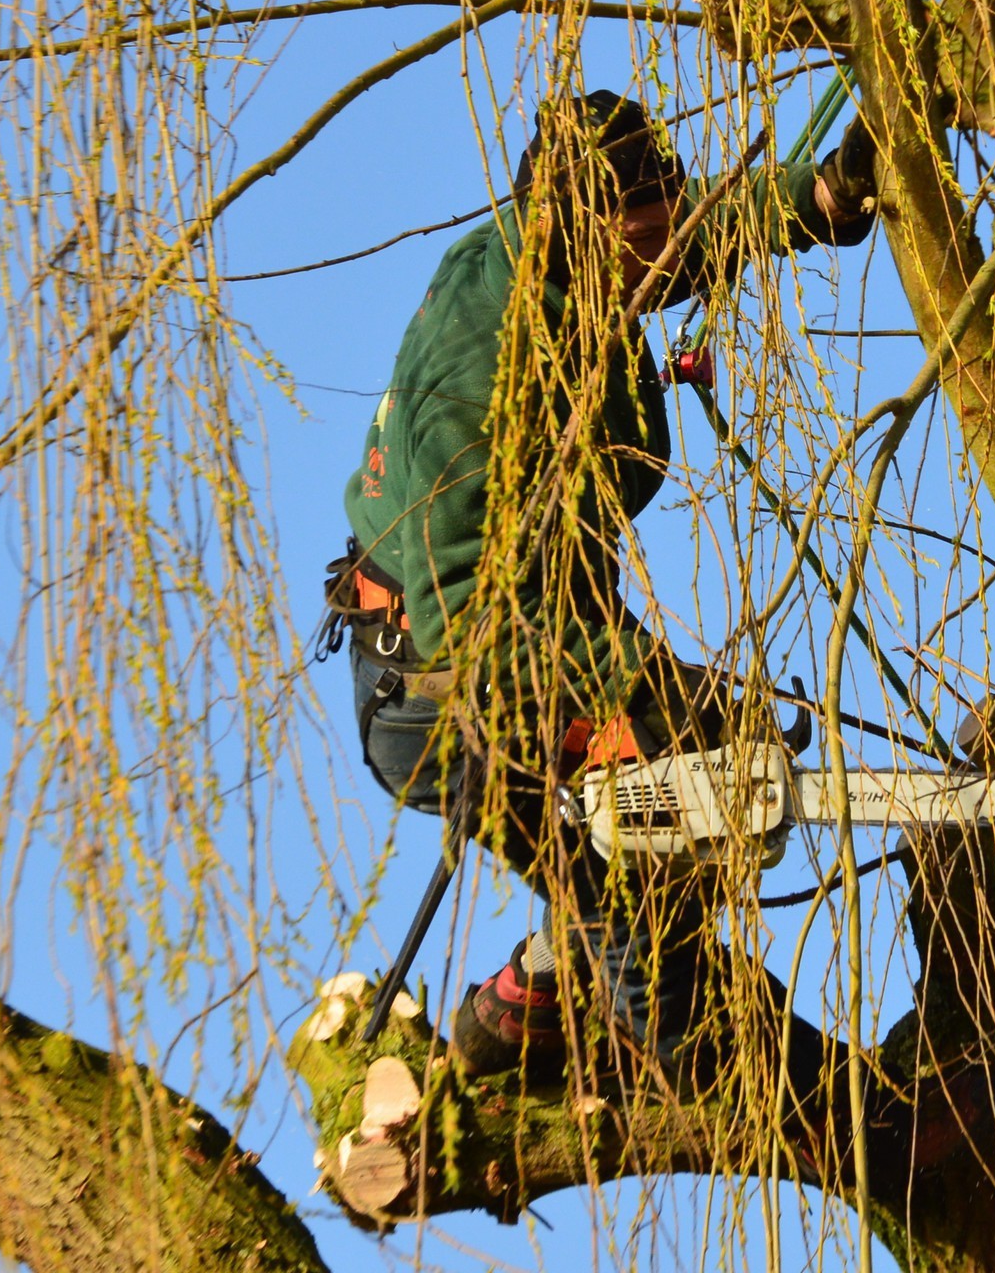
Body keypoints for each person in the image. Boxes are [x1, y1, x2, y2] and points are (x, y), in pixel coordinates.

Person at [322, 89, 875, 1084]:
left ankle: (523, 1005)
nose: (666, 255)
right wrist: (645, 692)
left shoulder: (572, 266)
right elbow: (468, 612)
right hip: (446, 685)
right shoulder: (477, 367)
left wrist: (816, 198)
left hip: (539, 642)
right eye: (647, 230)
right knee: (642, 871)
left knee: (704, 805)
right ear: (587, 226)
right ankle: (744, 1079)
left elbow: (695, 227)